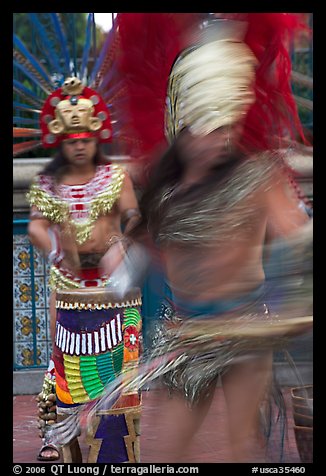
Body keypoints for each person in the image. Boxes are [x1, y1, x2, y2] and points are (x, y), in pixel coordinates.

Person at [92, 13, 312, 463]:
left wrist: (293, 296)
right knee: (168, 452)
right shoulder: (164, 191)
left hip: (247, 334)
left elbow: (300, 237)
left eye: (230, 126)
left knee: (239, 449)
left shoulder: (257, 177)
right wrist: (124, 256)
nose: (224, 138)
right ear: (184, 127)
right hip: (186, 338)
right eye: (213, 129)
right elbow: (144, 250)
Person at [26, 76, 142, 463]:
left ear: (97, 139)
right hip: (68, 281)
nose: (79, 146)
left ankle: (116, 436)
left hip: (114, 281)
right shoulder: (49, 184)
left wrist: (124, 238)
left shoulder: (115, 177)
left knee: (124, 360)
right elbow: (36, 225)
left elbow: (132, 214)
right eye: (72, 141)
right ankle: (56, 433)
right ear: (62, 142)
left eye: (86, 140)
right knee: (61, 361)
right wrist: (58, 249)